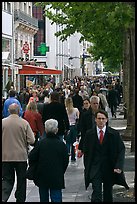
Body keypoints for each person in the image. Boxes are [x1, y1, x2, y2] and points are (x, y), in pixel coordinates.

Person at [83, 109, 129, 202]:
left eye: (103, 118)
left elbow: (121, 149)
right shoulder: (89, 134)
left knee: (108, 192)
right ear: (95, 119)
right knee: (97, 192)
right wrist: (88, 166)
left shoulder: (114, 134)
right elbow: (87, 151)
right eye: (99, 118)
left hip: (109, 168)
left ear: (107, 120)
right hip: (95, 168)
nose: (101, 121)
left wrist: (118, 166)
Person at [27, 119, 69, 202]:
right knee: (56, 197)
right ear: (56, 130)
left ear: (45, 130)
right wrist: (61, 171)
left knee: (43, 197)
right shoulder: (61, 144)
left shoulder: (40, 143)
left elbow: (32, 157)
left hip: (42, 175)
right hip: (57, 176)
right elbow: (65, 160)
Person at [2, 103, 35, 202]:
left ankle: (3, 197)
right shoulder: (24, 123)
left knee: (7, 179)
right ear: (19, 111)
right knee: (21, 180)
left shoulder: (3, 123)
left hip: (5, 156)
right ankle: (20, 199)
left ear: (8, 111)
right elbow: (32, 140)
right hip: (21, 156)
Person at [65, 97, 80, 162]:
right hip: (74, 127)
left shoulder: (65, 110)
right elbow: (78, 118)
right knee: (73, 142)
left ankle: (67, 154)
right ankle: (73, 157)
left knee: (67, 142)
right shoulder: (76, 110)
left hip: (68, 126)